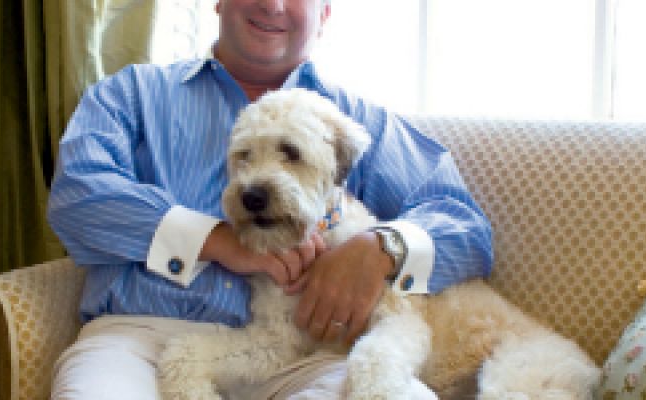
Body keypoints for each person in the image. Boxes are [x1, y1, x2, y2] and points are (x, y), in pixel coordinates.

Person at [47, 0, 493, 398]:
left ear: (324, 14)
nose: (273, 5)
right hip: (138, 341)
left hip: (313, 357)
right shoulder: (132, 94)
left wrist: (379, 249)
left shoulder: (353, 122)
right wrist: (216, 240)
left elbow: (465, 226)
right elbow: (76, 194)